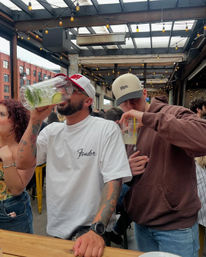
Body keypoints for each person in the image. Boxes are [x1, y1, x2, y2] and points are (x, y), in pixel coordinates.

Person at [16, 74, 132, 257]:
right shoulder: (52, 132)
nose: (63, 93)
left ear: (87, 100)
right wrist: (35, 120)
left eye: (71, 90)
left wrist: (97, 230)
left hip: (90, 229)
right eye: (61, 89)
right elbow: (22, 163)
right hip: (55, 228)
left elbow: (114, 181)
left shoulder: (106, 129)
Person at [112, 73, 206, 257]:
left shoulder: (173, 113)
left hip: (176, 227)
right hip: (141, 222)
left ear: (145, 93)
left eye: (134, 99)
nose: (131, 107)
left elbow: (203, 137)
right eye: (125, 102)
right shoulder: (127, 126)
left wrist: (147, 118)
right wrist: (126, 169)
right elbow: (124, 166)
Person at [0, 99, 33, 233]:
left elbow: (16, 189)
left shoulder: (23, 150)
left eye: (1, 114)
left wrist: (7, 159)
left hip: (11, 211)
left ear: (16, 122)